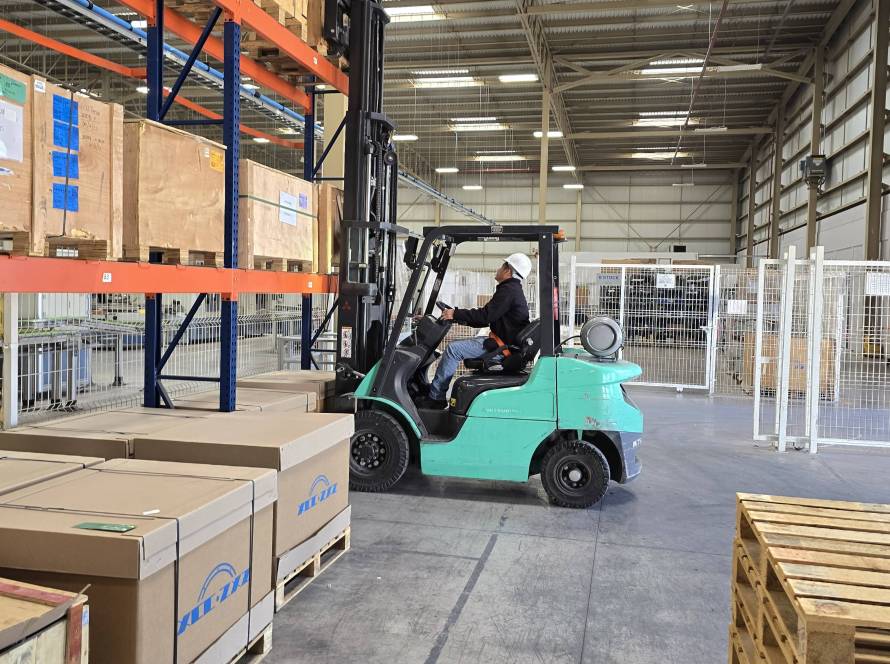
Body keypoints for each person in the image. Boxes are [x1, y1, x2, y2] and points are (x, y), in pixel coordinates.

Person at [418, 253, 533, 409]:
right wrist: (456, 316)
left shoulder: (509, 290)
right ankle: (434, 391)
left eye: (502, 266)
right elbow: (485, 318)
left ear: (508, 271)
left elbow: (485, 316)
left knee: (453, 350)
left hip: (502, 348)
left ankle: (436, 398)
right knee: (455, 348)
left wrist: (455, 314)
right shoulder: (512, 290)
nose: (499, 269)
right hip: (502, 342)